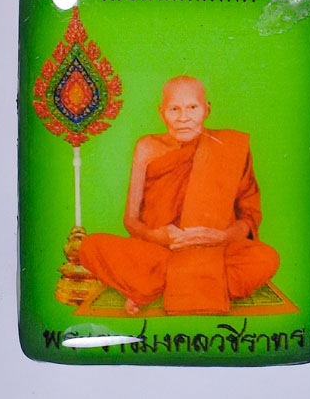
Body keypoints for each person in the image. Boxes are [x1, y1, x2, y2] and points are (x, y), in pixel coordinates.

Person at [79, 75, 279, 315]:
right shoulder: (146, 147)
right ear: (161, 112)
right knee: (90, 247)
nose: (184, 117)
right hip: (159, 250)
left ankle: (155, 287)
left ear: (206, 109)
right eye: (174, 109)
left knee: (266, 258)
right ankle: (200, 284)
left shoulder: (230, 145)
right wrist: (156, 236)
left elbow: (248, 217)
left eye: (192, 107)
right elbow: (130, 220)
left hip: (214, 251)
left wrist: (221, 236)